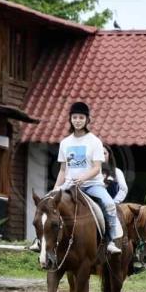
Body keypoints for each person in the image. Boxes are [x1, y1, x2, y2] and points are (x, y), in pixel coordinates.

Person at [52, 102, 122, 254]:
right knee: (47, 203)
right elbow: (63, 170)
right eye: (75, 117)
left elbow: (97, 168)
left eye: (81, 117)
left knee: (109, 203)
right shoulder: (65, 143)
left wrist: (83, 178)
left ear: (87, 120)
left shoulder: (95, 141)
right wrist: (55, 189)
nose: (78, 120)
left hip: (92, 184)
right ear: (70, 119)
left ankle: (110, 240)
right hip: (69, 185)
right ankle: (40, 241)